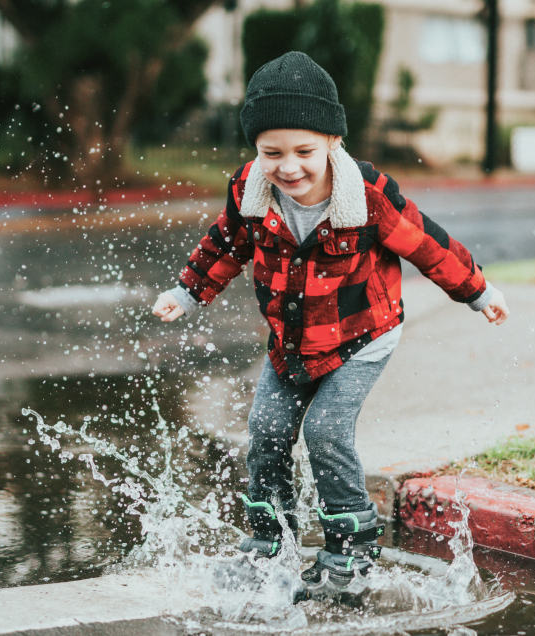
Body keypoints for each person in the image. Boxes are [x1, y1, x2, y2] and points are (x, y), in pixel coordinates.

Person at [152, 51, 509, 587]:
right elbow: (225, 243)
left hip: (363, 337)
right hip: (291, 343)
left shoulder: (366, 195)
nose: (288, 166)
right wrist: (188, 291)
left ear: (333, 144)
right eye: (272, 152)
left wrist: (478, 291)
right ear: (255, 148)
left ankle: (351, 546)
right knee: (267, 430)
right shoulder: (250, 190)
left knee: (325, 430)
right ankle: (270, 541)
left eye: (304, 151)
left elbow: (427, 244)